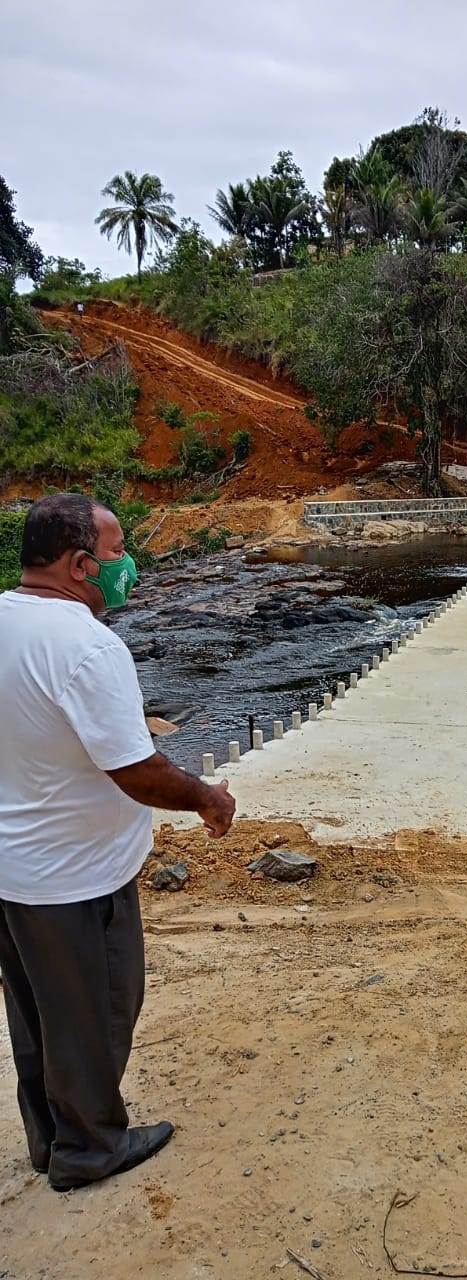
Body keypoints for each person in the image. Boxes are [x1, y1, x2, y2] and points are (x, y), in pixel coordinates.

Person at [0, 493, 236, 1191]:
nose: (125, 564)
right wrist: (205, 796)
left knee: (39, 1012)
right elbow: (136, 770)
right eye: (114, 552)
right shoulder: (86, 646)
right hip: (74, 877)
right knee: (99, 1010)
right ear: (78, 566)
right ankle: (89, 1148)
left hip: (13, 871)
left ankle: (51, 1137)